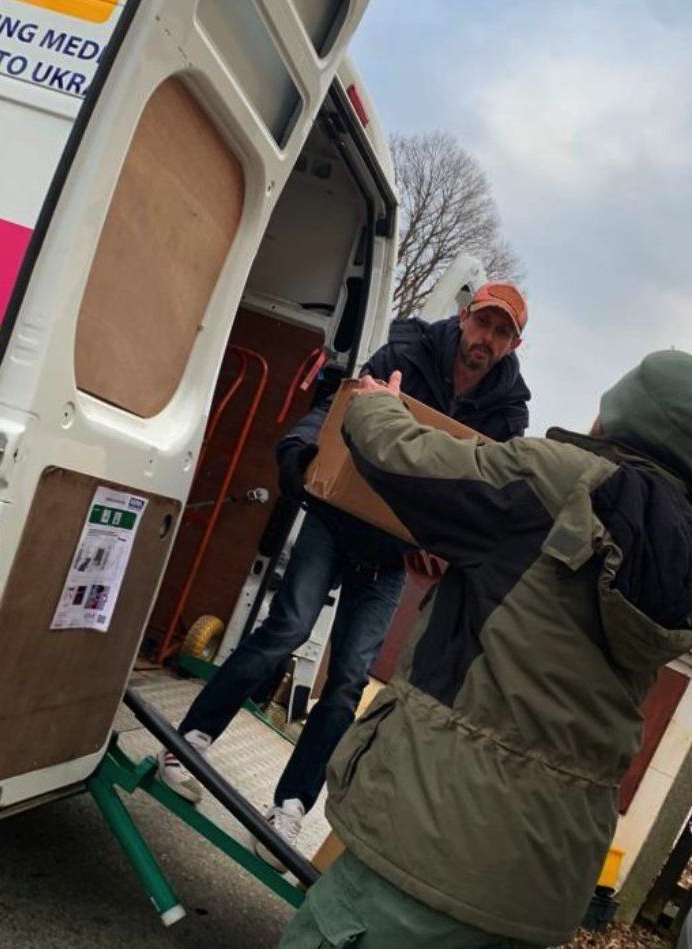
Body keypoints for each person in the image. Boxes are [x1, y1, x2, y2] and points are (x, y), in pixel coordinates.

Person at [280, 350, 692, 948]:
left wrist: (375, 409)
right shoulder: (685, 556)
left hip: (436, 846)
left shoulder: (563, 483)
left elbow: (412, 464)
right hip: (543, 888)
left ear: (621, 407)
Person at [157, 282, 532, 867]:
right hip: (336, 521)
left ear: (513, 345)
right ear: (463, 318)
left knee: (350, 681)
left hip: (389, 557)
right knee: (287, 627)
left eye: (502, 332)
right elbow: (337, 412)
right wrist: (302, 458)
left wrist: (443, 544)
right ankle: (188, 743)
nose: (487, 338)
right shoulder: (405, 355)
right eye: (483, 322)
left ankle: (290, 808)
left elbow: (487, 502)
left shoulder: (507, 419)